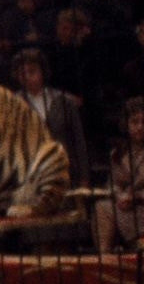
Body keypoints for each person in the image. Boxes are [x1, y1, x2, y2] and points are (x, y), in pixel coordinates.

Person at [94, 97, 144, 254]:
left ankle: (113, 255)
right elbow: (111, 184)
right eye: (135, 122)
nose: (140, 127)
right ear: (126, 124)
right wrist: (120, 195)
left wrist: (136, 197)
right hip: (123, 206)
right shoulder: (117, 153)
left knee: (107, 209)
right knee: (101, 206)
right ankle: (105, 256)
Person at [14, 48, 89, 188]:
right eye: (22, 73)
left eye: (32, 71)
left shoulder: (63, 100)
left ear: (43, 72)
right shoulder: (14, 105)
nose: (27, 77)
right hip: (32, 175)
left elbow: (79, 140)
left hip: (65, 169)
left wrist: (84, 177)